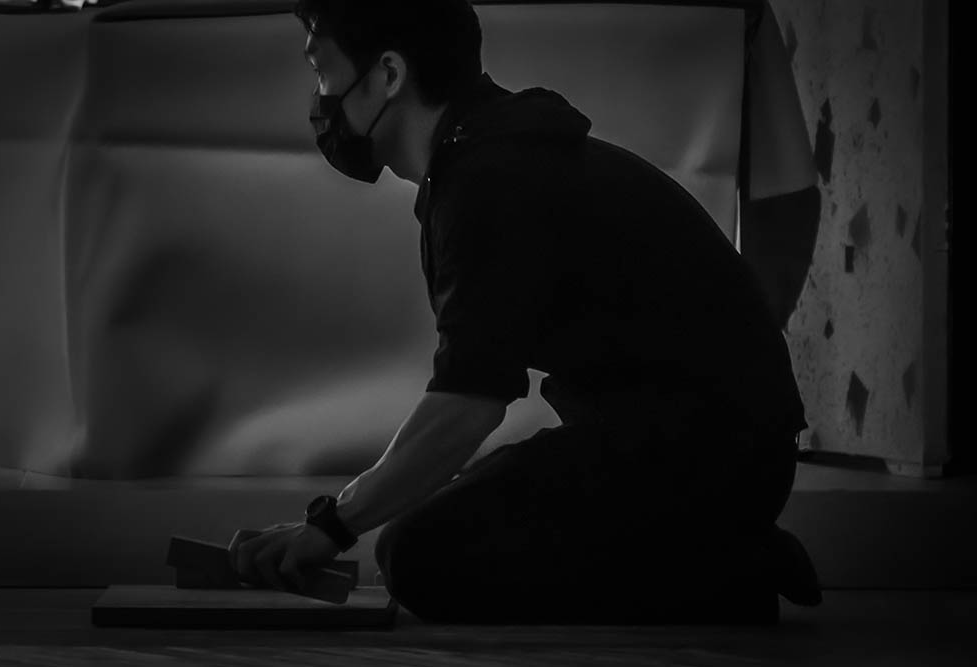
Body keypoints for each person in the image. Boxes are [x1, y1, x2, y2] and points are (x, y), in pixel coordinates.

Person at [229, 0, 822, 623]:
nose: (321, 99)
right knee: (434, 524)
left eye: (322, 70)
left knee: (418, 557)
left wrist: (330, 526)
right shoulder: (488, 154)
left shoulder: (489, 179)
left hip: (713, 457)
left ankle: (728, 567)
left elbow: (468, 403)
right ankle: (711, 547)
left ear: (389, 75)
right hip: (686, 442)